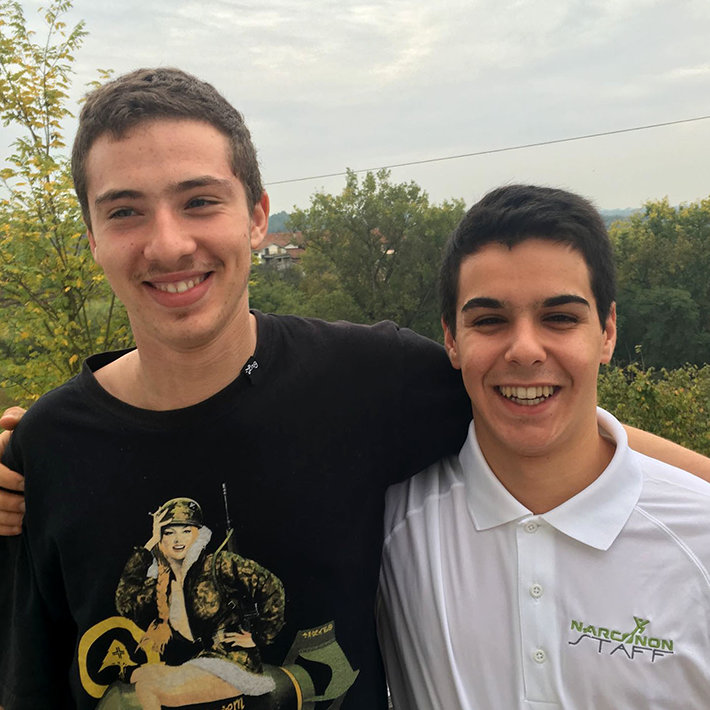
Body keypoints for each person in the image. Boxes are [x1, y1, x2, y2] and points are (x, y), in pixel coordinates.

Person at [0, 69, 708, 709]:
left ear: (257, 216)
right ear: (91, 236)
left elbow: (538, 401)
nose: (168, 243)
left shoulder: (368, 380)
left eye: (200, 201)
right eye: (125, 211)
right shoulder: (47, 450)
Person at [377, 185, 710, 709]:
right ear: (451, 340)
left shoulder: (699, 537)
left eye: (560, 318)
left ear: (607, 332)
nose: (525, 350)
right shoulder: (390, 526)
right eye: (489, 321)